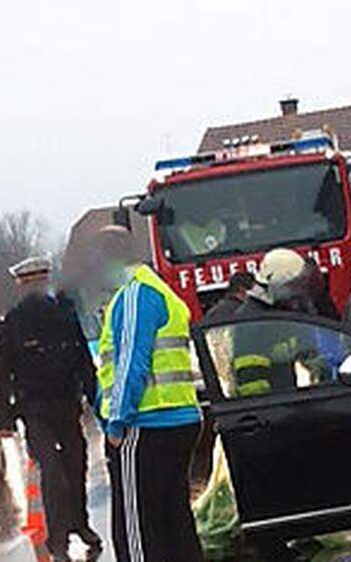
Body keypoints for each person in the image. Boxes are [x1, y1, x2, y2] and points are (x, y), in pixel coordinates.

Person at [93, 226, 205, 561]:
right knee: (174, 521)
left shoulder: (134, 295)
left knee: (137, 529)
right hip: (179, 419)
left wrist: (117, 422)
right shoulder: (161, 290)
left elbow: (131, 361)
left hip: (144, 423)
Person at [0, 256, 101, 561]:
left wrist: (95, 399)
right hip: (35, 410)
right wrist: (3, 419)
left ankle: (81, 525)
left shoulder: (64, 315)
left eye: (41, 281)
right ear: (22, 287)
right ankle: (58, 539)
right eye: (32, 284)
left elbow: (82, 361)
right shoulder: (12, 323)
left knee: (75, 466)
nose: (37, 288)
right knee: (52, 471)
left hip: (66, 403)